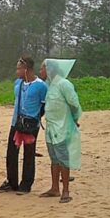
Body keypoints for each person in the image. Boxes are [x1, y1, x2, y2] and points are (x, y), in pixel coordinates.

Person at [0, 56, 48, 194]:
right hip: (16, 123)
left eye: (19, 68)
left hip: (31, 125)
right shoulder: (17, 83)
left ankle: (26, 184)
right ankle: (11, 182)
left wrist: (35, 119)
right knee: (11, 153)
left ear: (27, 69)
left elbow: (44, 105)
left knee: (29, 154)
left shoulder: (41, 86)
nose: (17, 71)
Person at [38, 58, 82, 203]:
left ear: (49, 70)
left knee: (63, 159)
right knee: (54, 159)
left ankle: (66, 190)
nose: (40, 72)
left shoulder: (64, 84)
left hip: (62, 127)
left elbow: (74, 104)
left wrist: (74, 119)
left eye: (42, 69)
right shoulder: (49, 85)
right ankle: (55, 188)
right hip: (51, 129)